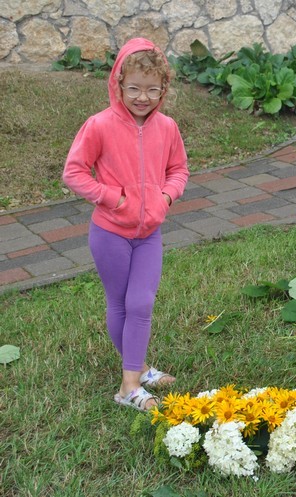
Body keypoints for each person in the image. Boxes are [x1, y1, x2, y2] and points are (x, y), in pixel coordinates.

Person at [63, 38, 189, 412]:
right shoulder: (99, 125)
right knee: (119, 303)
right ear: (118, 84)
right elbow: (73, 172)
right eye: (133, 88)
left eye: (152, 89)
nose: (142, 97)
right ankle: (133, 382)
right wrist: (112, 197)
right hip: (109, 234)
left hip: (149, 233)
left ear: (163, 88)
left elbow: (179, 170)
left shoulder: (167, 127)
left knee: (142, 302)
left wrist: (166, 196)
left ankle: (132, 379)